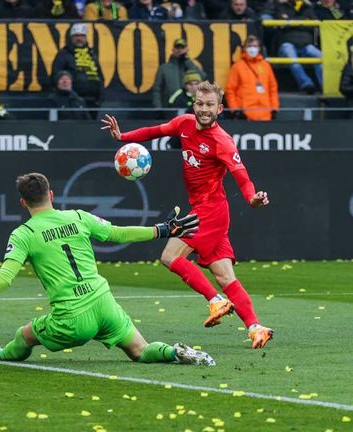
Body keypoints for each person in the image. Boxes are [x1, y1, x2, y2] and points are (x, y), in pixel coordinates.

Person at [0, 173, 215, 367]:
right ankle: (174, 351)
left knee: (25, 335)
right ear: (51, 194)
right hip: (104, 303)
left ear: (23, 202)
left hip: (72, 317)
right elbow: (118, 233)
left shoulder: (23, 234)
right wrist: (162, 230)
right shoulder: (78, 217)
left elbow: (5, 276)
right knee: (141, 351)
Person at [101, 81, 275, 350]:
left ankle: (215, 301)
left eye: (210, 105)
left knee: (169, 257)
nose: (204, 110)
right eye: (200, 104)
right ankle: (256, 327)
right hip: (205, 208)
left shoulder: (222, 141)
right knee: (225, 276)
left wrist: (252, 198)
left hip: (211, 210)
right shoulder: (184, 123)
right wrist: (123, 137)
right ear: (194, 105)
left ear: (220, 109)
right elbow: (153, 131)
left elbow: (242, 177)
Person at [225, 35, 279, 121]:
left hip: (266, 115)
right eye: (249, 46)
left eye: (254, 46)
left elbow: (273, 88)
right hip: (245, 115)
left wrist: (274, 108)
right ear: (244, 48)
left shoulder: (265, 65)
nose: (252, 49)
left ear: (259, 48)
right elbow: (230, 90)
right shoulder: (238, 66)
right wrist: (235, 110)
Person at [273, 0, 322, 94]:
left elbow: (314, 26)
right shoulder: (281, 6)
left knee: (320, 56)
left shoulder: (308, 8)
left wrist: (291, 22)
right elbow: (281, 24)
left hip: (306, 44)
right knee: (292, 57)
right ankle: (306, 84)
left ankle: (324, 86)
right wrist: (303, 22)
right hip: (287, 42)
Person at [52, 23, 105, 109]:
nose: (79, 38)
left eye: (82, 35)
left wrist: (101, 96)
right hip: (72, 101)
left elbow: (100, 76)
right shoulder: (63, 54)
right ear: (71, 37)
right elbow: (56, 75)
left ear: (86, 37)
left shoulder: (92, 54)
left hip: (93, 100)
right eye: (76, 36)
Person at [152, 38, 206, 112]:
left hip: (191, 108)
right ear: (173, 49)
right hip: (169, 108)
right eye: (177, 47)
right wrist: (159, 109)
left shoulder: (191, 66)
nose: (180, 50)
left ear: (186, 49)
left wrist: (186, 60)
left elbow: (203, 77)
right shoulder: (164, 68)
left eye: (182, 48)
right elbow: (157, 90)